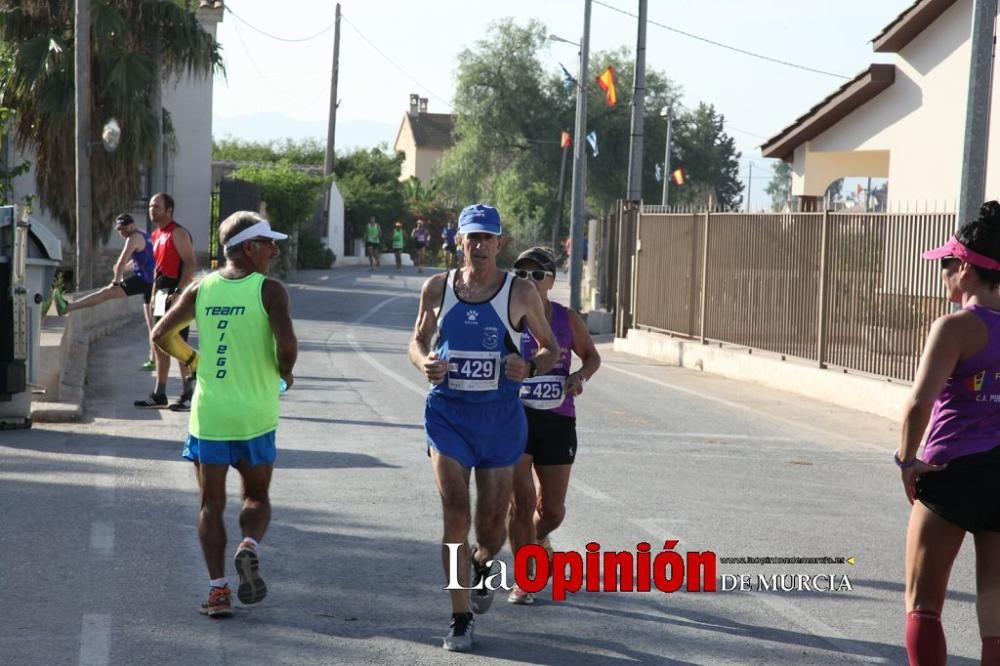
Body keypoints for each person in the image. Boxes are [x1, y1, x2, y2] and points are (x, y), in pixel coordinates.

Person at [409, 203, 559, 652]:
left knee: (492, 526)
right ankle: (459, 619)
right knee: (456, 512)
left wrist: (528, 365)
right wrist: (425, 362)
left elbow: (550, 350)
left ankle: (480, 563)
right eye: (470, 237)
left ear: (500, 243)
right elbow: (417, 339)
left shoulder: (519, 294)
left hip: (499, 422)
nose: (478, 246)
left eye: (486, 238)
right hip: (449, 415)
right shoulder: (438, 288)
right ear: (459, 240)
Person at [151, 210, 298, 619]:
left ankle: (218, 592)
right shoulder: (270, 290)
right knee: (256, 497)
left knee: (210, 505)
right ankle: (248, 546)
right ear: (249, 248)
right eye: (269, 243)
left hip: (210, 416)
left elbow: (160, 334)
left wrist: (194, 360)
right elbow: (287, 347)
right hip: (255, 414)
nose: (275, 249)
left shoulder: (201, 289)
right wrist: (284, 372)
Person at [898, 201, 1000, 666]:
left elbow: (919, 403)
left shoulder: (957, 328)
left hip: (952, 470)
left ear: (965, 268)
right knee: (996, 620)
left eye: (945, 266)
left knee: (924, 603)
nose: (943, 278)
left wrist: (907, 460)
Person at [506, 247, 601, 605]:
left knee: (553, 512)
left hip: (559, 418)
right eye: (521, 274)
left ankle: (536, 540)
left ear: (551, 280)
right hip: (516, 418)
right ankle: (523, 575)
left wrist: (579, 376)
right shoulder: (508, 318)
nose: (528, 281)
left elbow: (592, 356)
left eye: (536, 274)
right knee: (520, 503)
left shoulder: (565, 318)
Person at [52, 213, 158, 368]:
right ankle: (154, 360)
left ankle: (67, 307)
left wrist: (115, 282)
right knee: (151, 324)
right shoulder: (143, 234)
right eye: (119, 230)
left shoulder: (133, 238)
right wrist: (124, 269)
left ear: (130, 225)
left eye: (123, 229)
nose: (121, 233)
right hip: (151, 282)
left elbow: (121, 262)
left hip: (145, 281)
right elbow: (141, 260)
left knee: (106, 294)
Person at [134, 193, 198, 410]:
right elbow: (158, 269)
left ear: (169, 210)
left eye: (157, 206)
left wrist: (180, 292)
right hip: (161, 293)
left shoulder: (177, 233)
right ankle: (159, 394)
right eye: (151, 206)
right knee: (159, 342)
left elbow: (190, 264)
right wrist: (153, 295)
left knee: (178, 343)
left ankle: (188, 394)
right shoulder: (157, 233)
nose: (152, 209)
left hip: (176, 294)